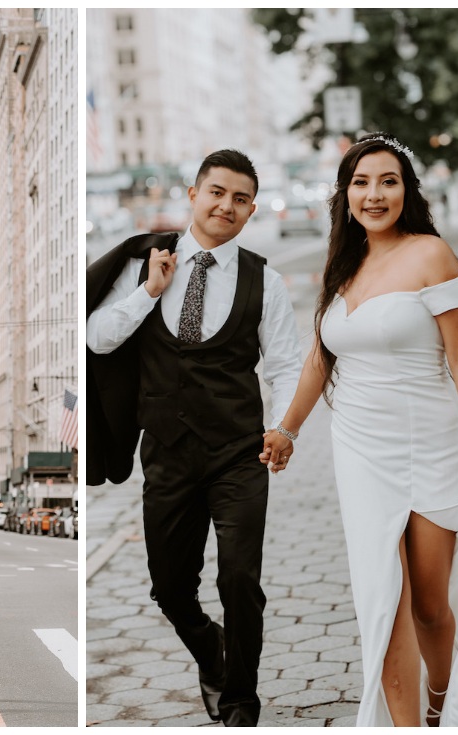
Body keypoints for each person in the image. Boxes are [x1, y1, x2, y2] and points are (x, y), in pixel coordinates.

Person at [265, 133, 458, 726]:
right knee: (383, 601)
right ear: (344, 194)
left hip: (426, 445)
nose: (374, 193)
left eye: (387, 181)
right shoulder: (341, 268)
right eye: (361, 182)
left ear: (406, 190)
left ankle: (442, 703)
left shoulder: (432, 254)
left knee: (430, 605)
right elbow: (319, 359)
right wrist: (286, 430)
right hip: (358, 451)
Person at [85, 150, 303, 726]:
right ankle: (213, 650)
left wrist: (283, 426)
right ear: (193, 193)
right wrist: (149, 293)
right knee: (170, 588)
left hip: (238, 452)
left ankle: (241, 701)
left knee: (239, 579)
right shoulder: (144, 265)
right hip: (168, 454)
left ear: (252, 209)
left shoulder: (266, 280)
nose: (225, 205)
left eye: (239, 198)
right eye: (216, 192)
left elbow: (285, 365)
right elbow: (99, 339)